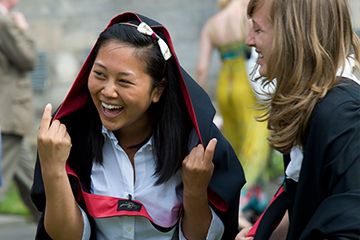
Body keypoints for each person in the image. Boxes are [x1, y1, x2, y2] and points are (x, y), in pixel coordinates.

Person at [31, 12, 246, 240]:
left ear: (157, 91)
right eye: (99, 74)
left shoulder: (194, 142)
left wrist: (195, 192)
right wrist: (53, 168)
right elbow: (67, 237)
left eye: (124, 81)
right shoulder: (69, 136)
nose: (108, 91)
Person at [236, 0, 360, 239]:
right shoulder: (315, 104)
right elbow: (303, 204)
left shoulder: (344, 115)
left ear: (292, 35)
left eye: (258, 29)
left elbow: (349, 228)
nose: (249, 40)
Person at [196, 0, 271, 228]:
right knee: (256, 143)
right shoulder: (246, 14)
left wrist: (200, 107)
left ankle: (255, 199)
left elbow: (201, 69)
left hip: (224, 87)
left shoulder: (212, 24)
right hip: (246, 85)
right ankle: (242, 200)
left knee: (236, 145)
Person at [0, 0, 38, 219]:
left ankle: (53, 226)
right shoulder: (4, 21)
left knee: (30, 179)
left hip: (9, 118)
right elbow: (29, 59)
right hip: (8, 115)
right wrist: (24, 30)